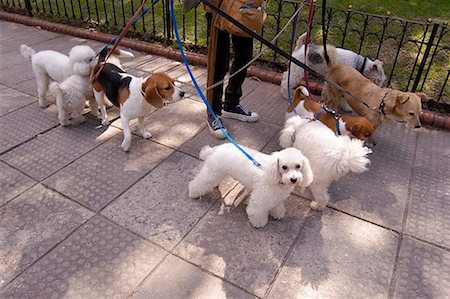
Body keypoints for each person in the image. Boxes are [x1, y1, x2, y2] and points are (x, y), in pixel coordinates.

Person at [204, 9, 259, 139]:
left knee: (244, 57)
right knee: (219, 62)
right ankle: (213, 112)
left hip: (244, 6)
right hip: (218, 5)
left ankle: (231, 104)